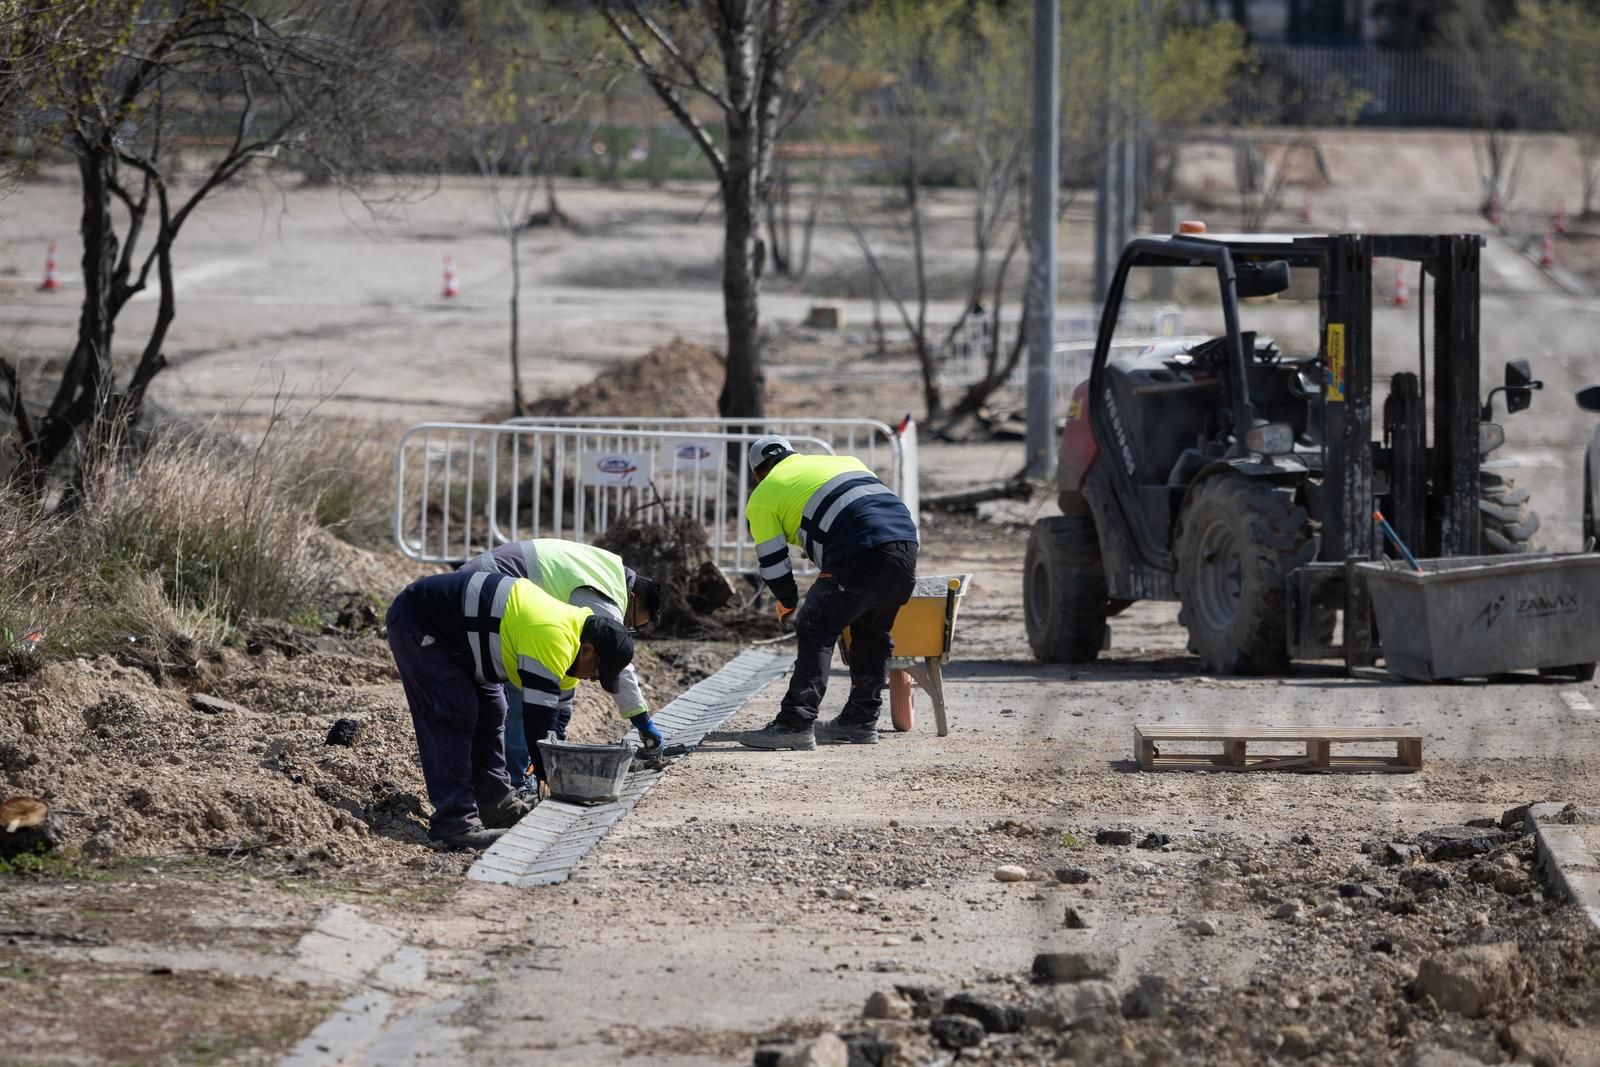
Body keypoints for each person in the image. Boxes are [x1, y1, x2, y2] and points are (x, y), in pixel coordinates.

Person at [385, 567, 636, 849]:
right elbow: (538, 720)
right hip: (420, 621)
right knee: (453, 714)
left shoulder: (574, 643)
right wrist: (548, 776)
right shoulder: (553, 635)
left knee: (493, 710)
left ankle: (496, 808)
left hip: (461, 640)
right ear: (588, 650)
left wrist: (552, 769)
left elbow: (555, 718)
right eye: (597, 671)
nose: (592, 678)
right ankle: (454, 823)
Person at [735, 434, 919, 751]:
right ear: (792, 454)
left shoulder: (764, 493)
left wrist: (787, 601)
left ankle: (794, 723)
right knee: (871, 633)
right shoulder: (845, 461)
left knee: (814, 628)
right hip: (905, 546)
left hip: (857, 551)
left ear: (758, 473)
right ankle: (861, 720)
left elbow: (773, 561)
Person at [459, 539, 663, 790]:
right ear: (632, 598)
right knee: (523, 691)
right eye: (631, 623)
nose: (626, 627)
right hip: (485, 587)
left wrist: (555, 740)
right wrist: (642, 721)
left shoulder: (609, 573)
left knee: (521, 693)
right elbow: (616, 661)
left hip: (485, 581)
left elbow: (567, 677)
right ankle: (515, 781)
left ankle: (509, 775)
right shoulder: (604, 599)